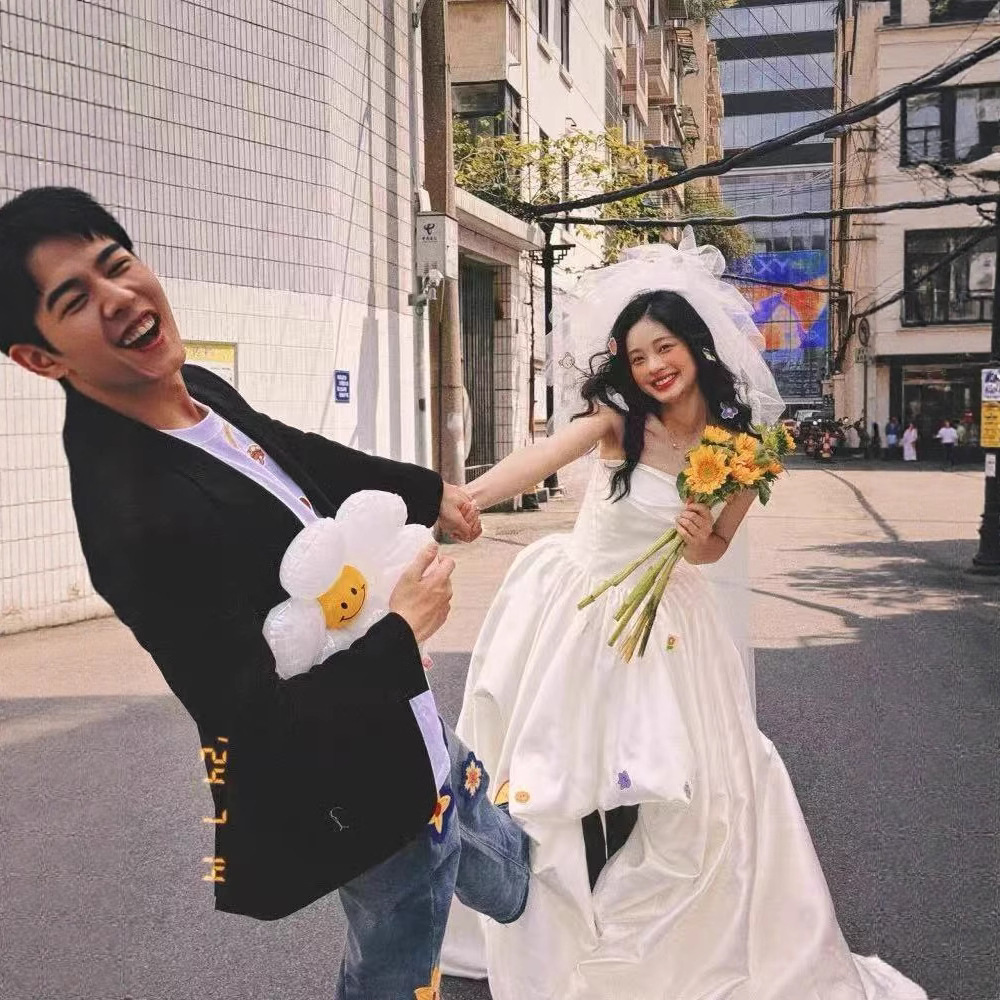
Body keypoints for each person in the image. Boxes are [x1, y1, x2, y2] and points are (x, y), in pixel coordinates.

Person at [0, 187, 530, 999]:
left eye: (117, 264)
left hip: (407, 722)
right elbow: (248, 718)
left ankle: (554, 915)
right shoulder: (131, 514)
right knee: (396, 955)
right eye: (74, 300)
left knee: (491, 842)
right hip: (361, 782)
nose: (118, 297)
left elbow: (295, 451)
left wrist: (428, 492)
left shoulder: (196, 387)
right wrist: (401, 632)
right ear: (41, 359)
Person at [441, 233, 928, 999]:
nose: (652, 367)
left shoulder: (744, 448)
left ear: (695, 346)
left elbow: (717, 545)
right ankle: (550, 931)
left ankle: (649, 934)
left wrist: (699, 539)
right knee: (560, 774)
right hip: (579, 606)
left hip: (667, 626)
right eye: (638, 356)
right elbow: (541, 457)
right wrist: (463, 498)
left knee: (679, 784)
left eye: (663, 348)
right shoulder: (618, 420)